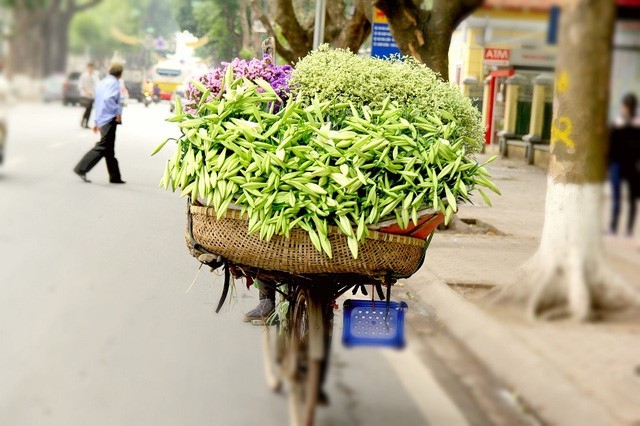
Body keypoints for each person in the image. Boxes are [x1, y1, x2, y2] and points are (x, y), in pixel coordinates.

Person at [73, 62, 126, 184]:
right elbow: (108, 99)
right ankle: (81, 168)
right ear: (120, 73)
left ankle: (115, 177)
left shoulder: (102, 83)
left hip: (102, 118)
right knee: (103, 147)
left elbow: (97, 102)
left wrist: (96, 121)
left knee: (109, 149)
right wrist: (117, 112)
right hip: (109, 118)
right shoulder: (114, 83)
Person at [609, 92, 640, 237]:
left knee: (632, 199)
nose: (624, 108)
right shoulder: (618, 122)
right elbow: (612, 143)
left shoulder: (636, 125)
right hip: (616, 164)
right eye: (624, 106)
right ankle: (613, 227)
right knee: (616, 197)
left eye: (627, 106)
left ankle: (629, 229)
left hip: (631, 166)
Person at [78, 63, 98, 128]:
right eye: (90, 68)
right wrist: (87, 92)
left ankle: (85, 122)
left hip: (92, 96)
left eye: (92, 68)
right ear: (87, 68)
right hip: (85, 95)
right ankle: (83, 121)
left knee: (89, 110)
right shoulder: (83, 76)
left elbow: (96, 85)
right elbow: (81, 85)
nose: (91, 69)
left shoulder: (94, 76)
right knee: (87, 109)